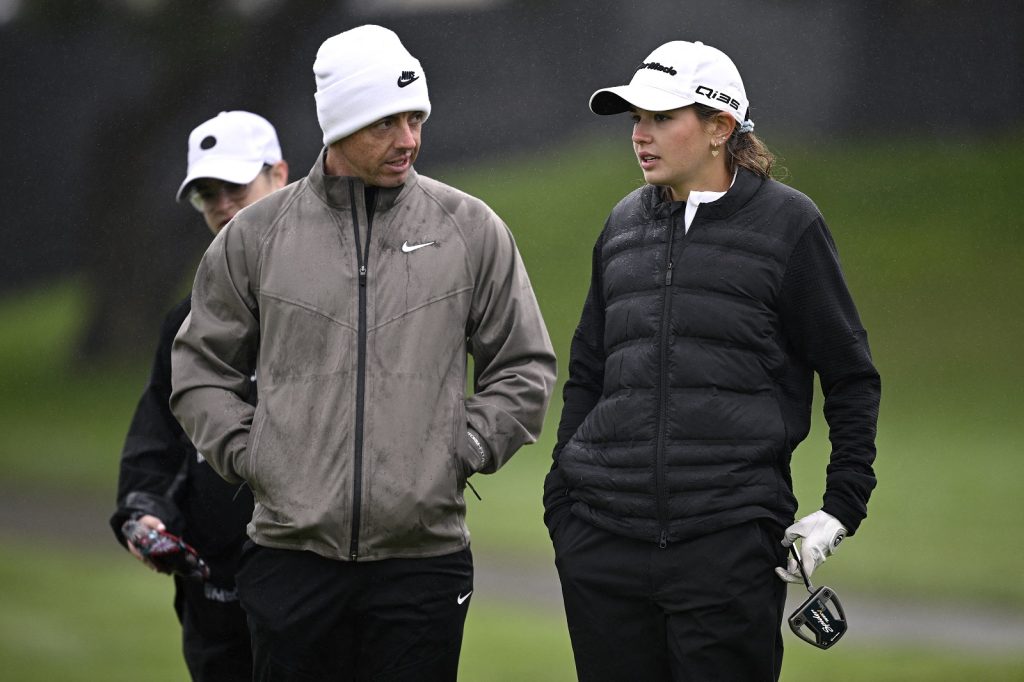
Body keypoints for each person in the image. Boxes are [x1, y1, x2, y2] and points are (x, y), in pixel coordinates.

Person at [169, 24, 556, 681]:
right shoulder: (254, 237)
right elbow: (200, 369)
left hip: (422, 562)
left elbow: (524, 366)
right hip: (290, 556)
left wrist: (457, 451)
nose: (408, 139)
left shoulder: (470, 229)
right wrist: (249, 453)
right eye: (385, 122)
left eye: (415, 118)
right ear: (337, 126)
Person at [543, 40, 880, 681]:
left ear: (720, 127)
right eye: (634, 118)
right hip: (602, 543)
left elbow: (850, 375)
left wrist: (841, 508)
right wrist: (564, 499)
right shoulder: (621, 226)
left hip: (726, 547)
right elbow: (588, 371)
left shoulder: (789, 225)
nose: (640, 135)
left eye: (661, 118)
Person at [110, 110, 288, 682]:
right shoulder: (184, 323)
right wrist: (144, 514)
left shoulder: (337, 302)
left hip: (312, 590)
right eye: (207, 193)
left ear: (279, 177)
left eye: (235, 185)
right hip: (214, 596)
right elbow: (158, 442)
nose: (221, 204)